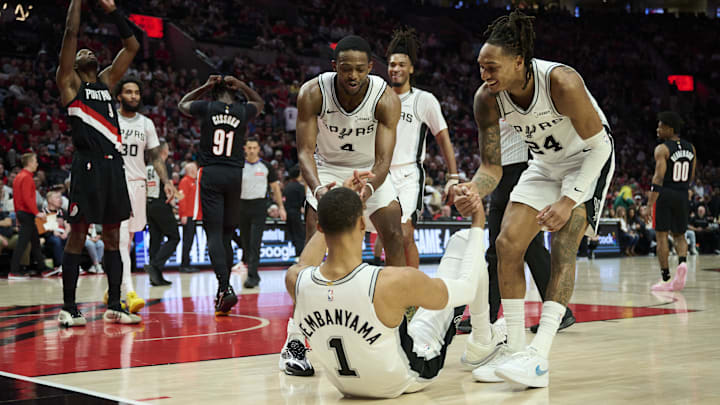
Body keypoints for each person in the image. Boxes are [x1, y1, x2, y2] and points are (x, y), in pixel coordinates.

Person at [460, 10, 614, 388]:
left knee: (562, 245)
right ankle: (515, 348)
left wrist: (570, 200)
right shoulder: (488, 99)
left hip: (585, 163)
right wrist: (471, 190)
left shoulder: (560, 81)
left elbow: (598, 148)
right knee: (507, 243)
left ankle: (539, 356)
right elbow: (492, 168)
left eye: (492, 67)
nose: (485, 76)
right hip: (545, 164)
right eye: (481, 68)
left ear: (519, 61)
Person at [285, 185, 490, 398]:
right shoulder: (390, 282)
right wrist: (478, 222)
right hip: (405, 377)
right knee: (465, 241)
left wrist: (335, 204)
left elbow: (305, 262)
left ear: (319, 227)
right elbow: (467, 288)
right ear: (363, 223)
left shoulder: (296, 281)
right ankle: (482, 342)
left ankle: (483, 341)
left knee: (406, 326)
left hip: (344, 386)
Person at [281, 35, 405, 376]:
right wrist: (320, 189)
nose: (352, 75)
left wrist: (364, 192)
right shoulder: (313, 92)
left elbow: (383, 160)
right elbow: (305, 151)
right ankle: (296, 340)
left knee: (393, 233)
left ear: (370, 68)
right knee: (312, 246)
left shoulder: (385, 98)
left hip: (369, 171)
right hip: (327, 170)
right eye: (346, 68)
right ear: (334, 67)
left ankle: (397, 327)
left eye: (359, 69)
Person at [56, 0, 141, 326]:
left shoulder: (106, 82)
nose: (87, 50)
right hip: (87, 165)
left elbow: (132, 45)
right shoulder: (71, 84)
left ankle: (116, 304)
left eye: (91, 50)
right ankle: (69, 307)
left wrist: (112, 10)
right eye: (81, 52)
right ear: (74, 65)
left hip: (113, 167)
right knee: (78, 234)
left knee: (112, 237)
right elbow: (71, 32)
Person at [456, 119, 575, 342]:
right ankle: (489, 315)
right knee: (499, 249)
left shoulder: (522, 100)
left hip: (525, 171)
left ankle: (558, 311)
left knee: (528, 248)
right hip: (499, 175)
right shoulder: (492, 102)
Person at [178, 75, 264, 315]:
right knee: (227, 234)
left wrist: (204, 86)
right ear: (234, 94)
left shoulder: (207, 106)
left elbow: (182, 104)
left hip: (212, 172)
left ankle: (224, 287)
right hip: (236, 174)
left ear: (213, 94)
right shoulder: (242, 110)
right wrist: (244, 84)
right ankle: (222, 290)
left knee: (214, 233)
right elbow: (259, 103)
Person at [385, 27, 459, 268]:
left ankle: (411, 294)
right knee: (385, 237)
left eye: (401, 64)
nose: (395, 68)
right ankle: (386, 288)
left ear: (411, 69)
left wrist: (453, 176)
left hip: (408, 175)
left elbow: (443, 138)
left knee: (404, 234)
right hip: (380, 175)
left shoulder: (423, 100)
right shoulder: (378, 98)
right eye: (392, 64)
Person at [112, 76, 175, 312]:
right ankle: (129, 290)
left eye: (137, 92)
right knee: (119, 239)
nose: (133, 96)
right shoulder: (111, 120)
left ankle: (113, 287)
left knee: (126, 241)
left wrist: (166, 181)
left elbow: (156, 156)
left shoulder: (146, 123)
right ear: (119, 96)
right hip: (117, 183)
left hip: (139, 185)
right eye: (128, 92)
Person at [647, 111, 695, 291]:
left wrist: (649, 205)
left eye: (660, 126)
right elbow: (691, 175)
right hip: (683, 193)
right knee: (680, 235)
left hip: (666, 193)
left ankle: (666, 278)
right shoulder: (691, 148)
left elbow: (658, 178)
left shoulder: (662, 149)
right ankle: (682, 263)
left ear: (669, 128)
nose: (658, 129)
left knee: (661, 235)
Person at [236, 137, 286, 288]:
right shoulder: (238, 165)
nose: (251, 150)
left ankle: (252, 275)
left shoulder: (266, 167)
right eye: (249, 147)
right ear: (245, 149)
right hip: (242, 205)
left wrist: (281, 207)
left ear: (259, 149)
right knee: (245, 241)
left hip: (259, 206)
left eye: (254, 148)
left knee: (255, 242)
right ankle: (251, 270)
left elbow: (275, 188)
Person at [145, 141, 178, 286]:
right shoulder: (165, 166)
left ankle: (156, 277)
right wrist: (176, 203)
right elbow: (169, 189)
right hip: (161, 204)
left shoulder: (147, 167)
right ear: (165, 152)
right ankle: (155, 265)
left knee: (155, 239)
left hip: (149, 205)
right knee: (174, 237)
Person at [10, 153, 47, 278]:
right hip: (27, 213)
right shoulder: (26, 177)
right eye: (35, 161)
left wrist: (17, 216)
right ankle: (14, 270)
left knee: (35, 242)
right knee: (23, 243)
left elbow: (16, 199)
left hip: (22, 213)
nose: (37, 163)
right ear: (30, 163)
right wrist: (37, 213)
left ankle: (42, 267)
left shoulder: (19, 177)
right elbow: (27, 198)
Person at [178, 161, 199, 273]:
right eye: (196, 169)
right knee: (187, 240)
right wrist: (184, 214)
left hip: (193, 216)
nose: (197, 171)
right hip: (188, 216)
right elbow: (182, 199)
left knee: (189, 241)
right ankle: (184, 265)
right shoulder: (185, 182)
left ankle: (186, 263)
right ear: (191, 171)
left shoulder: (193, 182)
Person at [41, 190, 68, 273]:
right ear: (49, 200)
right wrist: (53, 232)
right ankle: (60, 265)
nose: (60, 200)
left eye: (60, 197)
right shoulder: (43, 212)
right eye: (57, 198)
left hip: (62, 233)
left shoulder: (62, 211)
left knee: (71, 240)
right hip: (49, 235)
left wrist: (66, 233)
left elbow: (68, 225)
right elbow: (43, 228)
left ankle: (73, 264)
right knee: (56, 240)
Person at [283, 165, 306, 257]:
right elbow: (302, 200)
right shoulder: (300, 187)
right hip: (296, 212)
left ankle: (297, 252)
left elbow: (284, 199)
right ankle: (299, 254)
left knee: (292, 233)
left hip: (287, 212)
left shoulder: (287, 186)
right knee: (299, 234)